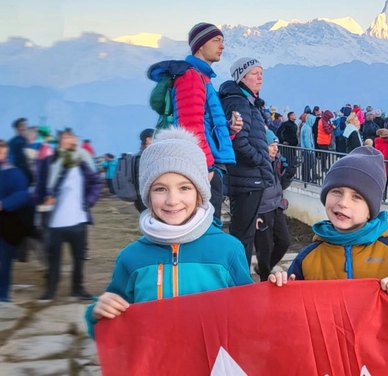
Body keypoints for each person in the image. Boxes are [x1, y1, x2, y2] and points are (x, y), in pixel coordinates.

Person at [84, 128, 252, 337]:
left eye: (184, 188)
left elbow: (250, 315)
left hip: (213, 367)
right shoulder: (130, 258)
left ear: (200, 193)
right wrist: (97, 314)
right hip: (156, 367)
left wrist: (278, 291)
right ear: (147, 194)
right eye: (160, 189)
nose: (172, 200)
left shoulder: (228, 250)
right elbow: (113, 324)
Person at [269, 146, 388, 293]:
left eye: (356, 197)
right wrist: (281, 287)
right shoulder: (308, 257)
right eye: (336, 191)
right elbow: (294, 310)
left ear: (370, 211)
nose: (343, 203)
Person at [168, 22, 242, 220]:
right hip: (206, 168)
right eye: (216, 40)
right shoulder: (191, 77)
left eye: (223, 41)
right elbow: (190, 126)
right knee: (208, 226)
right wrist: (206, 168)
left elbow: (204, 122)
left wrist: (228, 129)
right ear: (200, 45)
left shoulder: (202, 77)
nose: (222, 46)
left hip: (209, 164)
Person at [219, 57, 275, 270]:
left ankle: (239, 278)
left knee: (246, 233)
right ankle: (238, 280)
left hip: (249, 178)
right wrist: (261, 160)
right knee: (243, 236)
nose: (260, 77)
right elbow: (239, 142)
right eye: (254, 73)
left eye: (261, 73)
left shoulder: (247, 102)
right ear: (241, 77)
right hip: (247, 179)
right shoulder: (238, 102)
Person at [36, 129, 102, 302]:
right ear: (59, 141)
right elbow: (40, 187)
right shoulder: (48, 162)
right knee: (53, 260)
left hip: (77, 221)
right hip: (54, 222)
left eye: (72, 138)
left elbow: (96, 181)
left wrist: (88, 202)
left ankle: (77, 289)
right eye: (66, 138)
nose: (71, 141)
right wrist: (41, 200)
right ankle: (50, 291)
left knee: (78, 259)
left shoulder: (80, 163)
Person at [254, 133, 295, 281]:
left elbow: (280, 186)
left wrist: (288, 175)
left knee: (284, 242)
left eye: (276, 146)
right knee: (264, 250)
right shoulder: (256, 164)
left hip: (276, 206)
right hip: (262, 210)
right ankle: (264, 280)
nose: (275, 149)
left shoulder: (275, 161)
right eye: (272, 145)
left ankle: (263, 268)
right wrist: (254, 215)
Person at [0, 139, 32, 302]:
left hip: (7, 226)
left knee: (4, 262)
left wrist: (3, 204)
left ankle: (3, 296)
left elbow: (23, 195)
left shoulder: (14, 173)